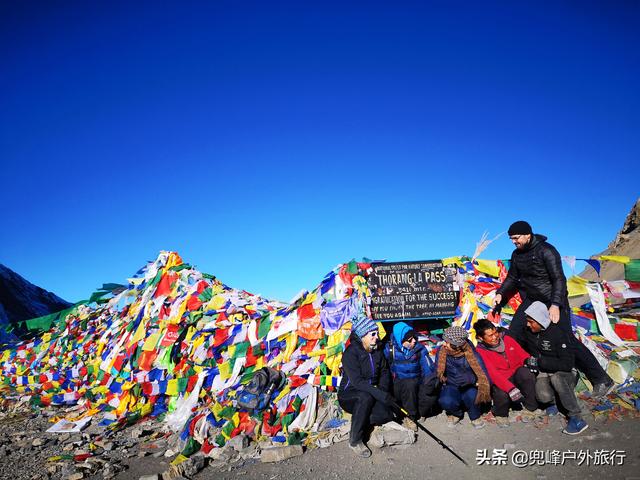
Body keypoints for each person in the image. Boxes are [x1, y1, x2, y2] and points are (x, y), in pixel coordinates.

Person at [493, 220, 614, 398]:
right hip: (531, 300)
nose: (514, 241)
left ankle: (602, 379)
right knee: (514, 334)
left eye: (516, 238)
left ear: (527, 234)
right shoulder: (516, 254)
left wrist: (556, 304)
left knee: (566, 339)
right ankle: (525, 378)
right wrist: (500, 293)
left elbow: (558, 278)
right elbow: (512, 277)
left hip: (552, 298)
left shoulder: (547, 250)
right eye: (511, 239)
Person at [521, 301, 589, 434]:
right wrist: (529, 361)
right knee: (543, 397)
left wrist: (540, 362)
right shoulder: (530, 332)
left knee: (557, 378)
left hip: (565, 373)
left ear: (540, 320)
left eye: (530, 321)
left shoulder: (558, 333)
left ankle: (576, 418)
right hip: (544, 371)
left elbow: (567, 364)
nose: (527, 324)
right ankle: (554, 402)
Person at [338, 314, 394, 457]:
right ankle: (355, 440)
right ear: (363, 335)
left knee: (386, 415)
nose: (376, 337)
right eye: (372, 334)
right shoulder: (350, 353)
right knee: (365, 397)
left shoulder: (377, 351)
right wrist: (379, 394)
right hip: (350, 394)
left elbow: (385, 372)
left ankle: (360, 418)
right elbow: (357, 382)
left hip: (371, 392)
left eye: (376, 333)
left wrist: (383, 391)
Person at [474, 319, 538, 426]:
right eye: (490, 336)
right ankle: (500, 414)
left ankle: (530, 407)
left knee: (526, 374)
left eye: (495, 332)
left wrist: (528, 360)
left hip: (516, 373)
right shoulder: (481, 351)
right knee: (501, 395)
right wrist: (510, 388)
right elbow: (493, 374)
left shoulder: (507, 339)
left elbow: (522, 354)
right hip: (501, 379)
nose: (495, 337)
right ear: (481, 338)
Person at [383, 322, 439, 430]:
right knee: (409, 385)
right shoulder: (390, 349)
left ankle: (421, 411)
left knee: (430, 389)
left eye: (414, 337)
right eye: (410, 339)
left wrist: (430, 381)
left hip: (416, 380)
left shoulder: (419, 349)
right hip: (399, 383)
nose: (414, 341)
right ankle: (410, 416)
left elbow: (427, 367)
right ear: (401, 339)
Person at [436, 325, 491, 429]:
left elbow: (486, 378)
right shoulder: (442, 351)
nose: (444, 344)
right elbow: (438, 371)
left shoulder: (472, 355)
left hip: (469, 386)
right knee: (445, 400)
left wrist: (471, 379)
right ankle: (457, 413)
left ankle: (474, 415)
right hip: (451, 385)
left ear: (456, 345)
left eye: (447, 342)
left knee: (472, 396)